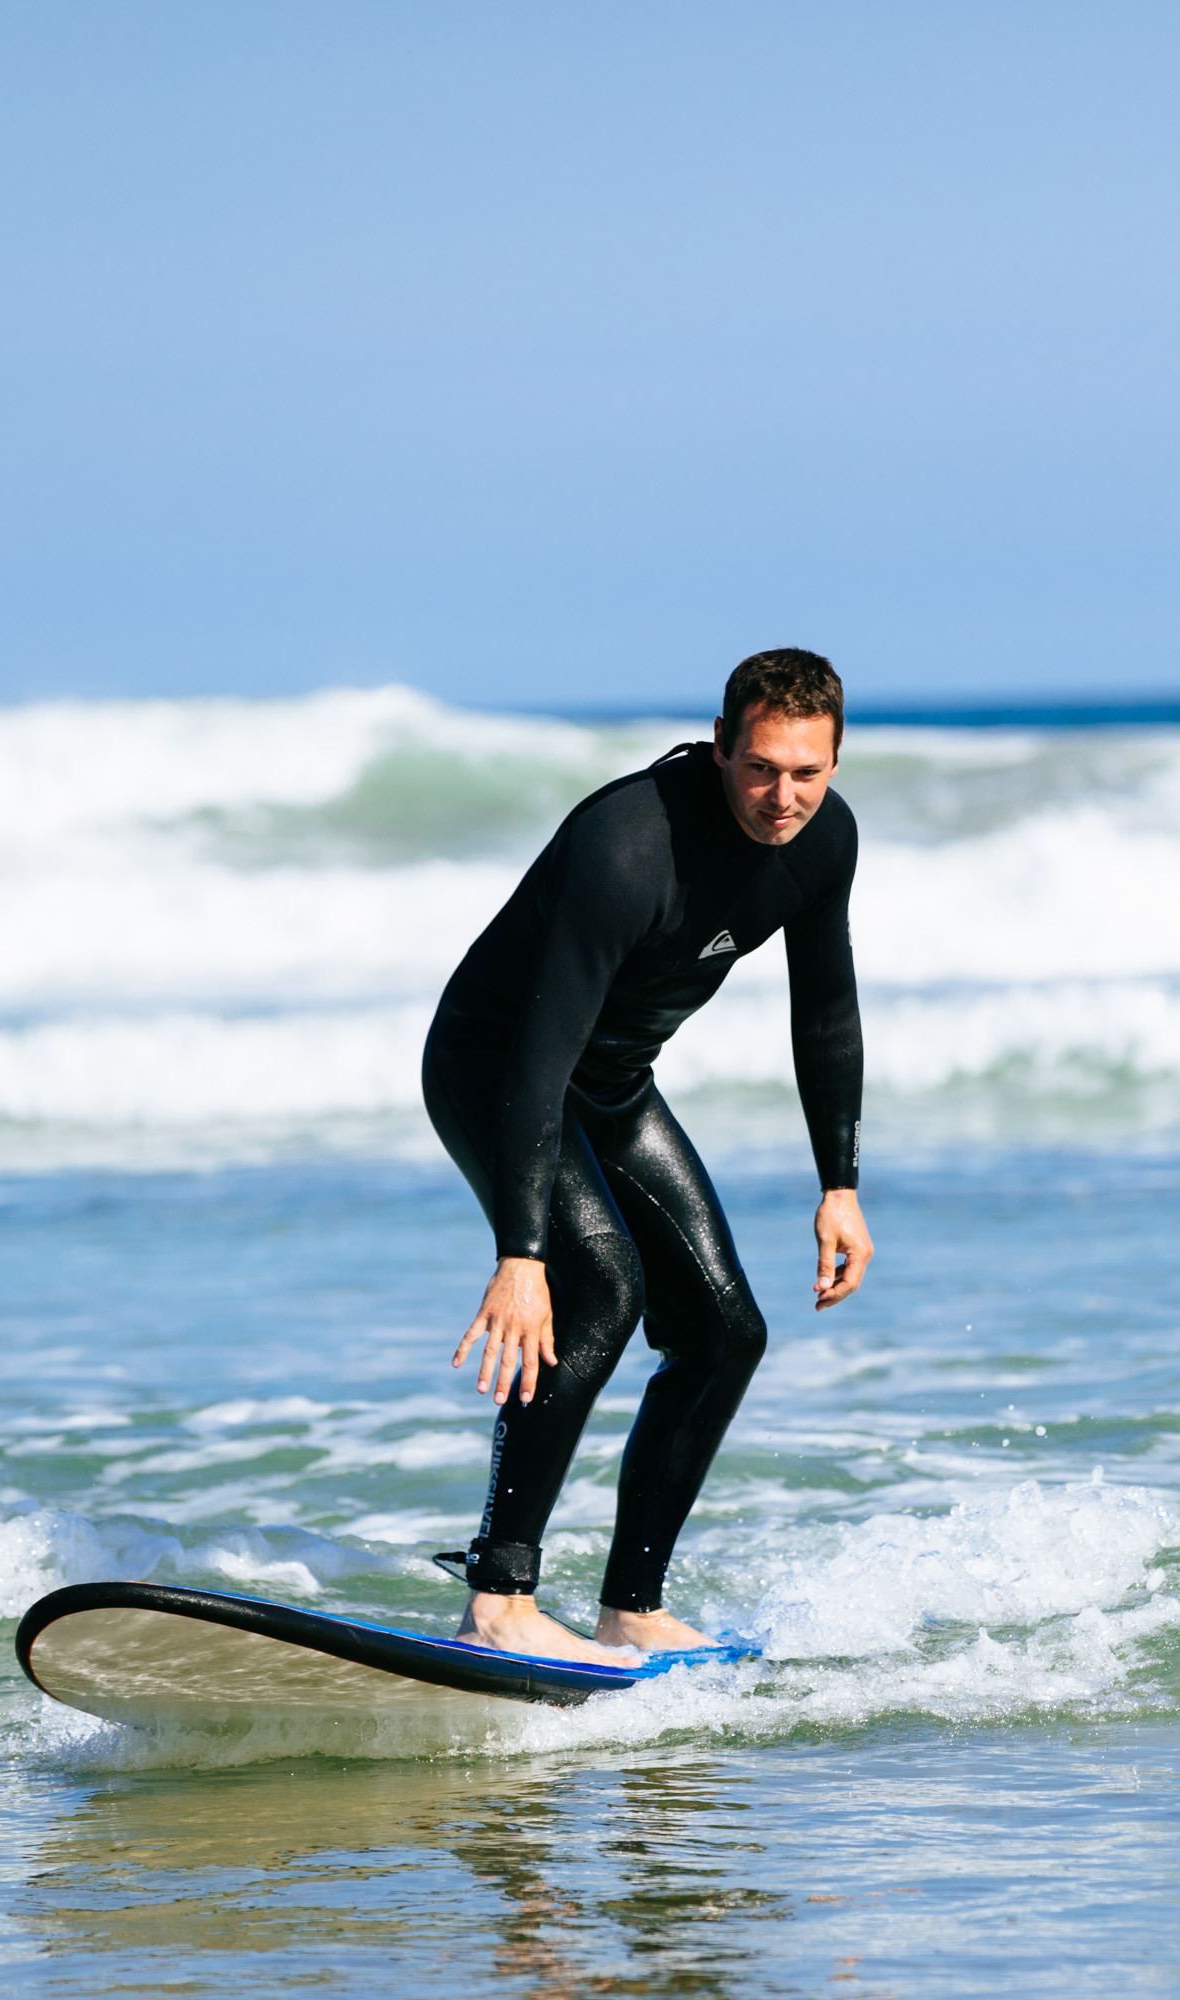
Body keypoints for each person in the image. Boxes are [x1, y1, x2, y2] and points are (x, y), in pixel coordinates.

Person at [419, 648, 872, 1661]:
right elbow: (538, 1059)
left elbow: (827, 1008)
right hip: (497, 1069)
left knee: (725, 1334)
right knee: (603, 1284)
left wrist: (838, 1184)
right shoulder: (626, 845)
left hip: (614, 1086)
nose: (783, 796)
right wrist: (522, 1252)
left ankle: (631, 1603)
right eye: (760, 767)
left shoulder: (823, 841)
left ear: (836, 761)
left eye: (807, 771)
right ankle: (498, 1596)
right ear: (720, 748)